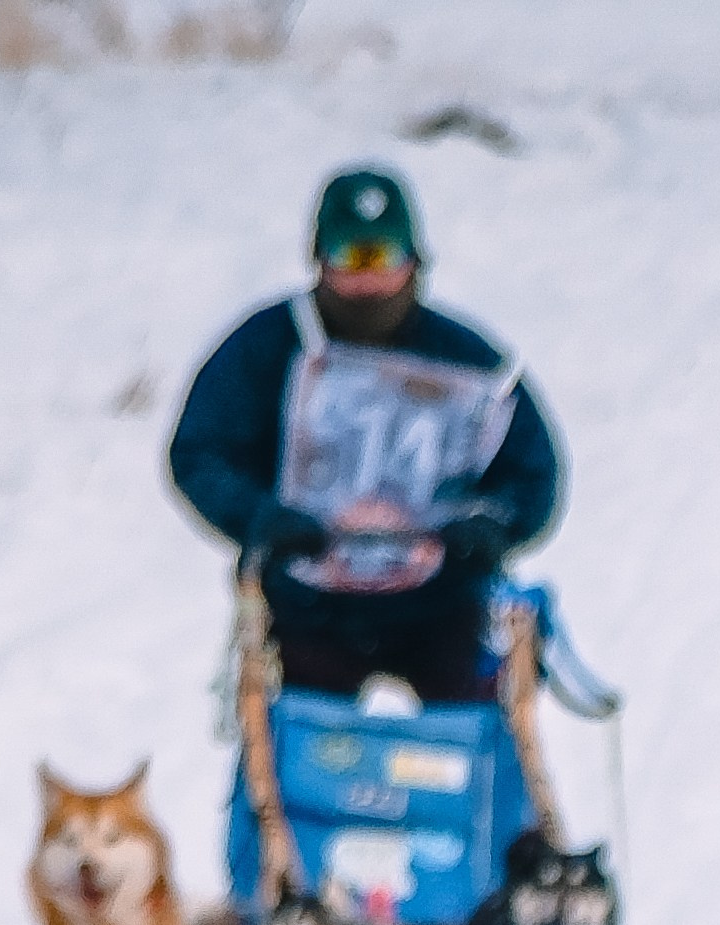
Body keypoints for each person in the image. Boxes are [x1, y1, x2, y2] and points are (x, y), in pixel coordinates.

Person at [167, 165, 565, 706]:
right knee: (305, 745)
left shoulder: (471, 362)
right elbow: (201, 451)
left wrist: (493, 523)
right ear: (320, 260)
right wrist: (259, 517)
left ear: (414, 261)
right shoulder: (266, 347)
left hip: (442, 604)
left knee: (465, 736)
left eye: (382, 258)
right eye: (351, 258)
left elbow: (533, 472)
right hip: (307, 605)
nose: (367, 281)